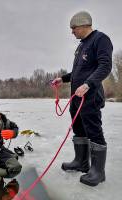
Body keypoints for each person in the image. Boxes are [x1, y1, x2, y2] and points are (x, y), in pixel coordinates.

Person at [52, 11, 113, 186]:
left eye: (74, 28)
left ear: (84, 24)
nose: (72, 32)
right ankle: (82, 162)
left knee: (93, 130)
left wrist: (88, 84)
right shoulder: (81, 45)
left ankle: (98, 171)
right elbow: (79, 72)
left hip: (91, 96)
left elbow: (105, 66)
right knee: (79, 129)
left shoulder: (100, 39)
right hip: (76, 97)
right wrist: (62, 79)